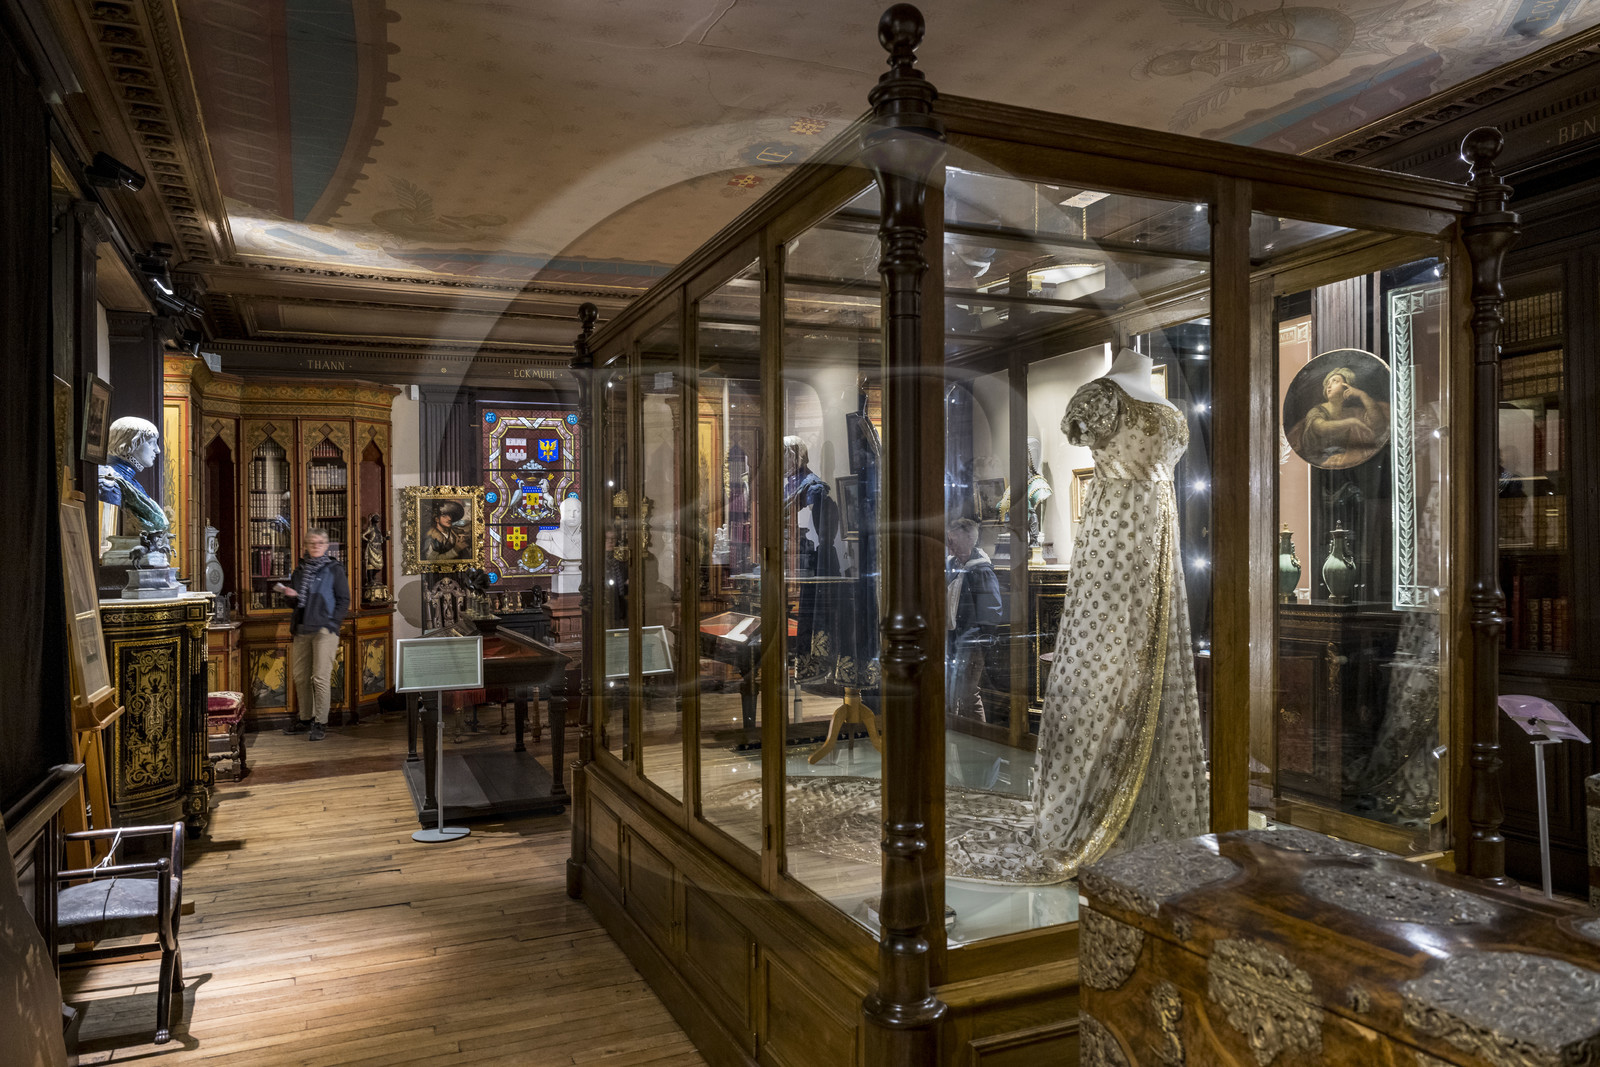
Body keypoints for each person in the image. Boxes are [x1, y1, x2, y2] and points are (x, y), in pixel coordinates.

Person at [275, 528, 349, 741]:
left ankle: (320, 722)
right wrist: (290, 596)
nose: (316, 546)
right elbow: (296, 603)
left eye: (320, 543)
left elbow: (344, 599)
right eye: (311, 543)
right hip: (302, 628)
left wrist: (333, 624)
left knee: (320, 677)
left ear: (326, 546)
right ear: (306, 546)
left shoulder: (334, 569)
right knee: (300, 676)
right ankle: (305, 719)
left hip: (324, 630)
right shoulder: (299, 571)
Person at [945, 518, 1001, 721]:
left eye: (954, 541)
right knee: (951, 693)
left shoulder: (981, 570)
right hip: (952, 639)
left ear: (969, 541)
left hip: (970, 643)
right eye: (948, 540)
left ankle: (979, 742)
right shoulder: (952, 566)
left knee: (967, 693)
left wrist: (978, 642)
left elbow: (992, 612)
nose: (949, 545)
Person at [1286, 365, 1390, 470]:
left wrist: (1362, 395)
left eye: (1335, 381)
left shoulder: (1352, 412)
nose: (1329, 386)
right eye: (1327, 383)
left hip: (1353, 467)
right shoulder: (1317, 411)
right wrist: (1351, 422)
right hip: (1318, 470)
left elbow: (1377, 424)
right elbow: (1321, 427)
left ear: (1346, 387)